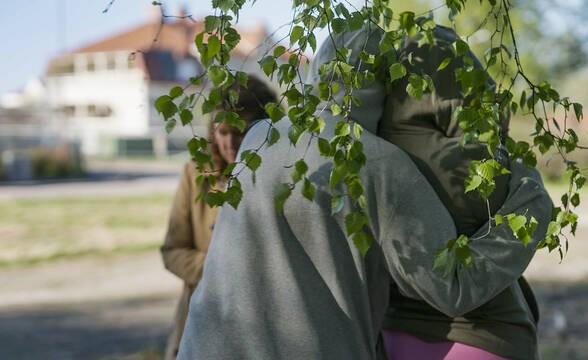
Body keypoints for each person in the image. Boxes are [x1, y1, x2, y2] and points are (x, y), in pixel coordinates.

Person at [177, 26, 552, 360]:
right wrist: (530, 202)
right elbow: (451, 286)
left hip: (205, 344)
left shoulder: (260, 139)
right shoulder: (378, 164)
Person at [379, 26, 543, 360]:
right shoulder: (485, 161)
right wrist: (529, 177)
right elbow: (526, 216)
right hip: (483, 336)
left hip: (394, 333)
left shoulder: (374, 152)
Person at [160, 75, 277, 360]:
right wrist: (219, 271)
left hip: (265, 325)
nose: (231, 143)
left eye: (240, 131)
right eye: (222, 132)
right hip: (203, 319)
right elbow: (172, 251)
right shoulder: (196, 172)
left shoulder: (280, 175)